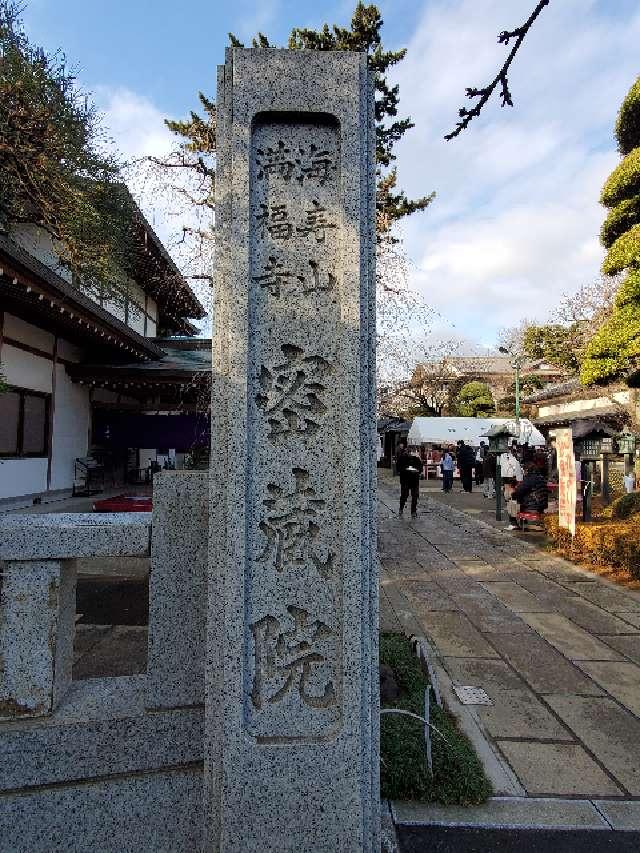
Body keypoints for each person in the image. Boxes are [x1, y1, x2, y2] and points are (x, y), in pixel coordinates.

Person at [506, 463, 549, 530]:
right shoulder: (541, 478)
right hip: (542, 506)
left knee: (511, 502)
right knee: (519, 499)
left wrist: (513, 496)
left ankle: (514, 524)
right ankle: (523, 523)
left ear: (526, 470)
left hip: (532, 505)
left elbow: (519, 491)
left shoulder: (529, 479)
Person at [397, 444, 423, 518]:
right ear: (407, 451)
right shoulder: (402, 458)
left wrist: (417, 470)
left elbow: (420, 468)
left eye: (413, 451)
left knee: (415, 496)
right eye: (410, 451)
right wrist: (406, 469)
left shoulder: (417, 459)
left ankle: (413, 511)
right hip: (405, 480)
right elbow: (398, 468)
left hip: (414, 480)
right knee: (404, 495)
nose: (412, 453)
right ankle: (401, 508)